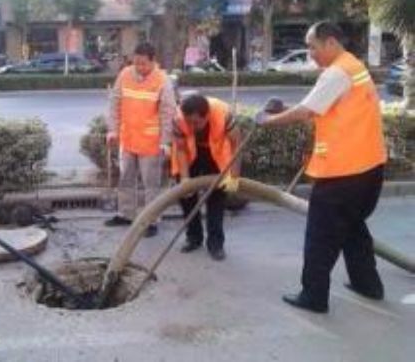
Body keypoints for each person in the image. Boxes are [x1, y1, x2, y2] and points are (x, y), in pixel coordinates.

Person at [256, 21, 387, 313]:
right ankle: (369, 285)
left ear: (330, 42)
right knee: (353, 228)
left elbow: (305, 111)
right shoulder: (355, 66)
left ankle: (313, 296)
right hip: (370, 168)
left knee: (320, 236)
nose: (310, 53)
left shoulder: (337, 73)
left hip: (342, 174)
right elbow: (324, 105)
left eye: (312, 46)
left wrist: (267, 121)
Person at [105, 42, 176, 237]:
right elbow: (115, 102)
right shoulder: (125, 74)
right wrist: (112, 130)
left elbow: (168, 113)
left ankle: (151, 220)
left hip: (151, 143)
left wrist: (165, 142)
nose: (139, 68)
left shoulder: (162, 80)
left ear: (153, 61)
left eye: (143, 64)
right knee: (126, 179)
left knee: (150, 184)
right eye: (136, 63)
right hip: (127, 139)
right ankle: (125, 214)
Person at [171, 94, 241, 260]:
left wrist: (234, 177)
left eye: (196, 122)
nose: (192, 126)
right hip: (189, 154)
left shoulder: (223, 113)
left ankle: (215, 244)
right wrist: (185, 180)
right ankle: (194, 237)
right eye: (189, 122)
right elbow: (180, 149)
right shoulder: (178, 118)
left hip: (215, 155)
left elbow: (237, 146)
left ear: (207, 115)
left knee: (216, 198)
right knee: (186, 197)